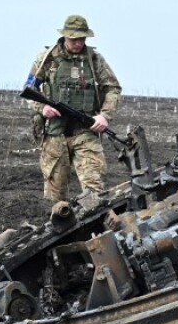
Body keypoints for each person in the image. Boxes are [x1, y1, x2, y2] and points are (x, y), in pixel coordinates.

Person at [27, 15, 122, 203]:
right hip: (55, 134)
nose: (78, 43)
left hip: (85, 131)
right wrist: (42, 107)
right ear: (65, 36)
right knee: (55, 196)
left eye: (82, 39)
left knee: (95, 191)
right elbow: (29, 90)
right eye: (74, 39)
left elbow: (113, 88)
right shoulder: (47, 59)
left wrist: (104, 116)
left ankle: (95, 227)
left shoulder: (94, 60)